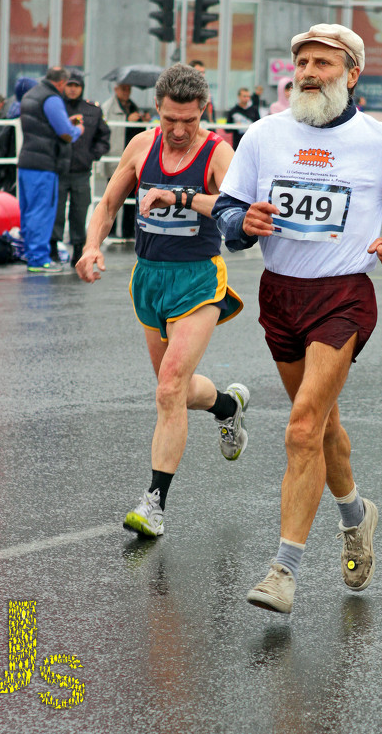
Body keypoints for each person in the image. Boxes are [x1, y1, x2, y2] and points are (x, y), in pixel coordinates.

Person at [212, 22, 382, 615]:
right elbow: (228, 209)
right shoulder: (264, 135)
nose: (309, 72)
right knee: (323, 429)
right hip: (280, 296)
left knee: (300, 428)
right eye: (303, 62)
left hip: (343, 296)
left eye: (323, 63)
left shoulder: (379, 139)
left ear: (351, 73)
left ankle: (283, 572)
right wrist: (244, 224)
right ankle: (356, 515)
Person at [76, 63, 249, 537]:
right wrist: (92, 245)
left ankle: (154, 504)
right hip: (150, 278)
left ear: (203, 112)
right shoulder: (141, 146)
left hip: (198, 280)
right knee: (175, 388)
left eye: (188, 121)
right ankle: (228, 408)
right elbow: (108, 204)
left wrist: (178, 197)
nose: (177, 131)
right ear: (157, 110)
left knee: (169, 388)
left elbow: (234, 208)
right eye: (170, 120)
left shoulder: (218, 152)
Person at [18, 67, 84, 273]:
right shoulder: (52, 98)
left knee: (28, 211)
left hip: (26, 162)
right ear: (61, 83)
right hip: (44, 165)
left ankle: (31, 254)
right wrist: (77, 130)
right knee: (42, 211)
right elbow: (64, 133)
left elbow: (42, 124)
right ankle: (39, 260)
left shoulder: (30, 95)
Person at [51, 70, 110, 267]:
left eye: (76, 86)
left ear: (82, 87)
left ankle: (78, 249)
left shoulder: (92, 109)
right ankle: (52, 248)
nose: (73, 89)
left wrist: (93, 154)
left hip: (81, 170)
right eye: (70, 85)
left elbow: (104, 135)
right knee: (56, 211)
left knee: (79, 210)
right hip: (58, 169)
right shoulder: (56, 106)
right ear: (64, 86)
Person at [102, 82, 140, 238]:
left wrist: (139, 119)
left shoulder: (133, 106)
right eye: (124, 88)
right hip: (115, 156)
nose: (126, 92)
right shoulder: (107, 107)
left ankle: (127, 233)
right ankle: (109, 233)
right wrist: (128, 119)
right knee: (113, 196)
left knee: (131, 194)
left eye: (129, 88)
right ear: (116, 89)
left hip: (131, 157)